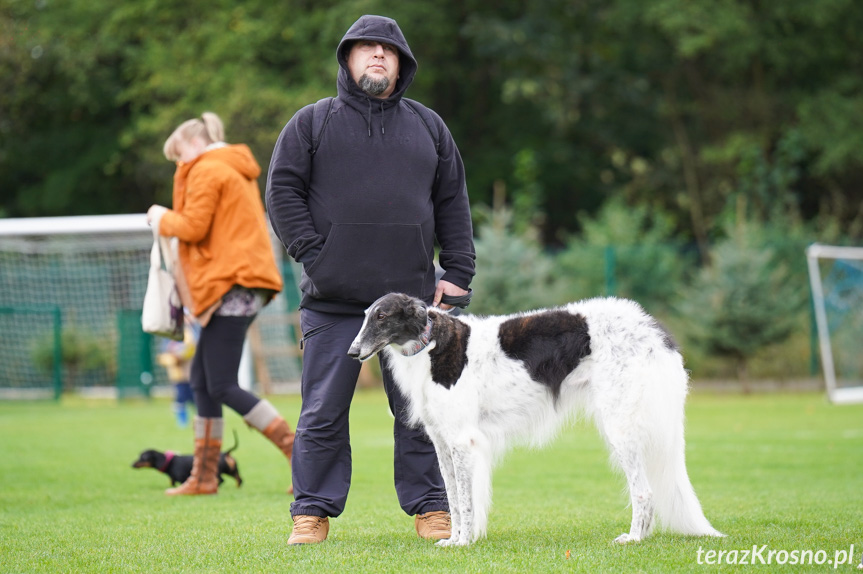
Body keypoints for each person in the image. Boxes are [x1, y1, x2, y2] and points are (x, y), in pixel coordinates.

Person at [266, 15, 476, 545]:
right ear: (348, 59)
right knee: (321, 412)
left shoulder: (429, 127)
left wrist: (456, 274)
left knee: (420, 412)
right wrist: (316, 255)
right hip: (335, 303)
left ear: (401, 63)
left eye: (388, 49)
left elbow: (453, 202)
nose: (377, 56)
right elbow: (282, 192)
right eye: (366, 49)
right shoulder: (312, 123)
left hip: (413, 311)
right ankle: (310, 513)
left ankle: (432, 508)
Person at [147, 112, 296, 496]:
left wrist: (161, 217)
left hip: (231, 284)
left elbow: (193, 226)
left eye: (179, 156)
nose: (181, 165)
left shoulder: (210, 169)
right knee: (202, 380)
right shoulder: (229, 167)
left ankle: (299, 453)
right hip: (241, 282)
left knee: (223, 384)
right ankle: (205, 475)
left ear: (194, 145)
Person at [156, 316, 199, 428]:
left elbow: (191, 348)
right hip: (177, 375)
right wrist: (171, 358)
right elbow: (163, 354)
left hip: (191, 373)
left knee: (195, 397)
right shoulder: (169, 336)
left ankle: (200, 419)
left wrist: (181, 355)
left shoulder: (192, 332)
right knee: (180, 397)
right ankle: (182, 420)